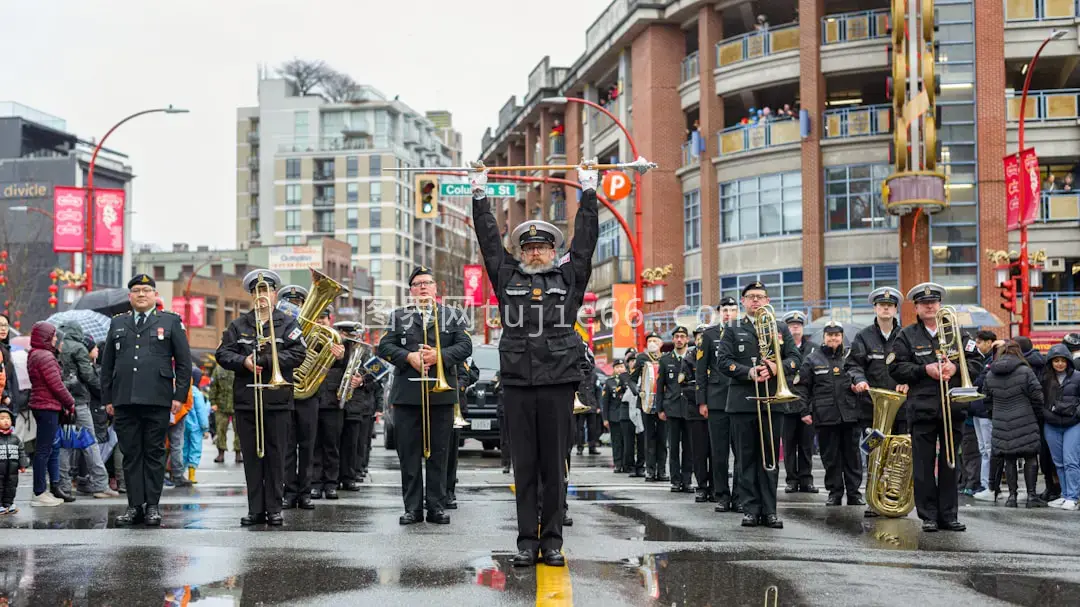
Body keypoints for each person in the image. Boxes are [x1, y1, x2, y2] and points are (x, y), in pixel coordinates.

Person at [469, 161, 598, 568]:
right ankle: (527, 540)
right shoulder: (507, 276)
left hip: (559, 380)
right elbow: (490, 242)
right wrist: (479, 195)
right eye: (529, 247)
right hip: (519, 381)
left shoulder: (569, 278)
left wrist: (589, 192)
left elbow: (586, 243)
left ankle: (553, 541)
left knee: (554, 467)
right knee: (524, 466)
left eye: (542, 247)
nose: (536, 252)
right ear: (521, 253)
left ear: (553, 252)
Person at [377, 266, 472, 527]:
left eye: (427, 283)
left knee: (439, 455)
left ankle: (437, 507)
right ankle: (412, 509)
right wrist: (409, 357)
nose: (422, 287)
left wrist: (438, 356)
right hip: (407, 396)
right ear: (411, 291)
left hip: (441, 397)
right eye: (417, 284)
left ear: (435, 288)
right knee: (408, 455)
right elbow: (383, 347)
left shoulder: (452, 316)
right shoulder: (399, 317)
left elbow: (465, 346)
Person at [215, 269, 307, 526]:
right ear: (251, 295)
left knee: (277, 457)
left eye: (266, 290)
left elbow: (299, 353)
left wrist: (266, 361)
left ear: (275, 293)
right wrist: (243, 361)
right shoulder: (238, 325)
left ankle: (274, 508)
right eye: (256, 291)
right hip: (247, 399)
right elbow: (222, 354)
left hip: (277, 399)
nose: (261, 296)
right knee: (252, 458)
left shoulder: (288, 323)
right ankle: (255, 509)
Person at [887, 282, 981, 532]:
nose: (930, 306)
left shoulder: (958, 332)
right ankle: (928, 515)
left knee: (951, 464)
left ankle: (949, 515)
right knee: (923, 464)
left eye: (934, 302)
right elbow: (895, 369)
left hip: (953, 406)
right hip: (922, 407)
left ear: (940, 305)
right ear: (916, 307)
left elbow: (977, 362)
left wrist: (957, 368)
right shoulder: (906, 335)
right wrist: (923, 370)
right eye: (924, 303)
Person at [718, 282, 800, 529]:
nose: (756, 301)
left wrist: (778, 368)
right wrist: (749, 372)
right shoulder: (732, 328)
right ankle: (750, 510)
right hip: (743, 403)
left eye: (760, 297)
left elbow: (796, 359)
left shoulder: (780, 327)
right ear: (743, 301)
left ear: (767, 300)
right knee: (746, 459)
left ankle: (770, 511)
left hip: (773, 401)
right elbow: (723, 362)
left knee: (770, 459)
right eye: (751, 297)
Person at [845, 287, 908, 515]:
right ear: (875, 308)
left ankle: (894, 497)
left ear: (895, 309)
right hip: (871, 408)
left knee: (898, 455)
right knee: (873, 453)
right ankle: (873, 498)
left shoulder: (905, 335)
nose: (886, 308)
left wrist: (908, 381)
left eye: (890, 305)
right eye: (882, 305)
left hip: (901, 408)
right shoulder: (863, 336)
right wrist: (859, 380)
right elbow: (853, 365)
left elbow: (910, 365)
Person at [795, 321, 863, 506]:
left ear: (842, 337)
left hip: (850, 415)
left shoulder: (850, 358)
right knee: (830, 457)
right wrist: (804, 411)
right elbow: (802, 388)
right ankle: (834, 492)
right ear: (824, 337)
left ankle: (854, 493)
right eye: (830, 335)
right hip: (825, 416)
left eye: (837, 335)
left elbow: (860, 378)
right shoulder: (812, 359)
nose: (833, 338)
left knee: (852, 457)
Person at [982, 341, 1045, 508]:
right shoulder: (1025, 371)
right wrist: (1037, 414)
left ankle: (1012, 496)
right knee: (1030, 456)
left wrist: (995, 415)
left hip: (1001, 421)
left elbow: (986, 400)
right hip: (1026, 418)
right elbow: (1037, 396)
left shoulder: (990, 374)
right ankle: (1031, 496)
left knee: (1009, 458)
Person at [56, 322, 115, 498]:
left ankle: (64, 486)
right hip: (80, 400)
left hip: (63, 402)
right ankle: (100, 484)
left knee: (65, 444)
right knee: (90, 442)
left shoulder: (57, 346)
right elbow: (88, 376)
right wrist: (106, 393)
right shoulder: (79, 348)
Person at [696, 298, 741, 510]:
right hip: (716, 400)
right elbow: (700, 371)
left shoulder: (745, 333)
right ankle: (722, 495)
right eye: (724, 309)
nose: (728, 313)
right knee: (719, 452)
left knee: (742, 452)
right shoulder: (709, 335)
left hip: (740, 398)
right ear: (719, 312)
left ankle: (740, 496)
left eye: (732, 309)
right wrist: (702, 401)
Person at [28, 321, 76, 507]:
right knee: (44, 451)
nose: (56, 338)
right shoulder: (45, 356)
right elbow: (56, 385)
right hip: (47, 406)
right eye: (53, 335)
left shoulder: (35, 354)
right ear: (46, 337)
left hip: (42, 405)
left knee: (46, 449)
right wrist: (70, 402)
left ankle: (45, 490)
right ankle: (39, 492)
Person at [337, 322, 383, 491]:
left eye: (355, 336)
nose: (353, 339)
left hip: (359, 405)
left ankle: (351, 475)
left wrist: (362, 380)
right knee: (334, 443)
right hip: (335, 403)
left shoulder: (366, 354)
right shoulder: (336, 350)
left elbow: (378, 376)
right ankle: (335, 477)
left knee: (354, 444)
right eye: (348, 335)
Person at [310, 308, 347, 501]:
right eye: (317, 318)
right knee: (313, 445)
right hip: (311, 397)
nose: (320, 321)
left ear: (330, 319)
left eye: (323, 318)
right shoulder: (307, 339)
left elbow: (350, 367)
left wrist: (340, 357)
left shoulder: (340, 341)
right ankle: (315, 484)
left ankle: (331, 484)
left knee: (332, 445)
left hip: (333, 400)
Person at [780, 310, 817, 494]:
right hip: (786, 405)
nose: (795, 328)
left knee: (806, 446)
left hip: (807, 405)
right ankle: (791, 480)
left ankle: (806, 480)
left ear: (803, 328)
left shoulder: (813, 348)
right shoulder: (781, 349)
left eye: (798, 325)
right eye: (792, 325)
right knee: (788, 446)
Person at [1041, 345, 1080, 511]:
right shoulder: (1044, 378)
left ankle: (1073, 496)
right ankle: (1065, 494)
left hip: (1073, 423)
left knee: (1071, 460)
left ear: (1068, 361)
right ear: (1051, 362)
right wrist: (1046, 415)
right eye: (1056, 361)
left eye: (1063, 360)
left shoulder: (1078, 377)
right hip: (1051, 424)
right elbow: (1039, 400)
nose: (1059, 364)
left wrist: (1077, 413)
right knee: (1059, 462)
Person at [656, 326, 692, 494]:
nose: (679, 339)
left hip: (690, 408)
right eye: (676, 336)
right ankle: (675, 481)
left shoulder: (692, 358)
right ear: (673, 340)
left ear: (687, 339)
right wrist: (660, 408)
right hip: (672, 408)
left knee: (689, 447)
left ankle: (687, 480)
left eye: (682, 336)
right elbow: (660, 386)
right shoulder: (665, 360)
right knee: (674, 447)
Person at [632, 333, 668, 483]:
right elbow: (631, 378)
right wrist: (639, 392)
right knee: (649, 438)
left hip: (663, 404)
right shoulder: (641, 358)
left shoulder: (667, 358)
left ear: (661, 344)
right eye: (650, 341)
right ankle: (650, 470)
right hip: (646, 403)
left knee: (663, 438)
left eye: (655, 340)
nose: (652, 343)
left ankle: (662, 470)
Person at [445, 358, 479, 509]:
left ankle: (448, 492)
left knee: (451, 453)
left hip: (455, 406)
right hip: (435, 403)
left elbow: (469, 375)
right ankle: (434, 492)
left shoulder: (458, 353)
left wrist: (455, 389)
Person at [969, 330, 998, 500]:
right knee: (983, 449)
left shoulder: (992, 360)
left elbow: (980, 382)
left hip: (985, 411)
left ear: (989, 343)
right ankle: (984, 483)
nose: (978, 346)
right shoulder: (981, 359)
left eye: (980, 342)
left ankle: (989, 485)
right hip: (977, 410)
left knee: (988, 448)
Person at [602, 361, 631, 473]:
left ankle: (627, 464)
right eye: (617, 367)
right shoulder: (609, 382)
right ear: (614, 369)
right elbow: (605, 402)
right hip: (614, 416)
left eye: (621, 367)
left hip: (627, 416)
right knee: (616, 441)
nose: (619, 369)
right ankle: (618, 464)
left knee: (627, 441)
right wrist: (605, 418)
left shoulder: (629, 380)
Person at [209, 363, 241, 463]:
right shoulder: (218, 370)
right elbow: (213, 387)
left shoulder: (239, 368)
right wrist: (213, 402)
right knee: (220, 430)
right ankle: (221, 453)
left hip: (237, 405)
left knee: (239, 431)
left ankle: (238, 453)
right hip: (221, 406)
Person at [183, 381, 210, 483]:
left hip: (183, 423)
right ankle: (191, 475)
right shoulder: (196, 393)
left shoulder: (182, 389)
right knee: (195, 448)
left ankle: (180, 473)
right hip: (196, 427)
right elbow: (201, 411)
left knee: (183, 448)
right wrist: (205, 428)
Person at [0, 406, 26, 514]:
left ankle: (9, 503)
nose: (5, 421)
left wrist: (23, 464)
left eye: (8, 418)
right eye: (2, 418)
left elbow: (21, 451)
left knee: (11, 487)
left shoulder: (15, 439)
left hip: (13, 470)